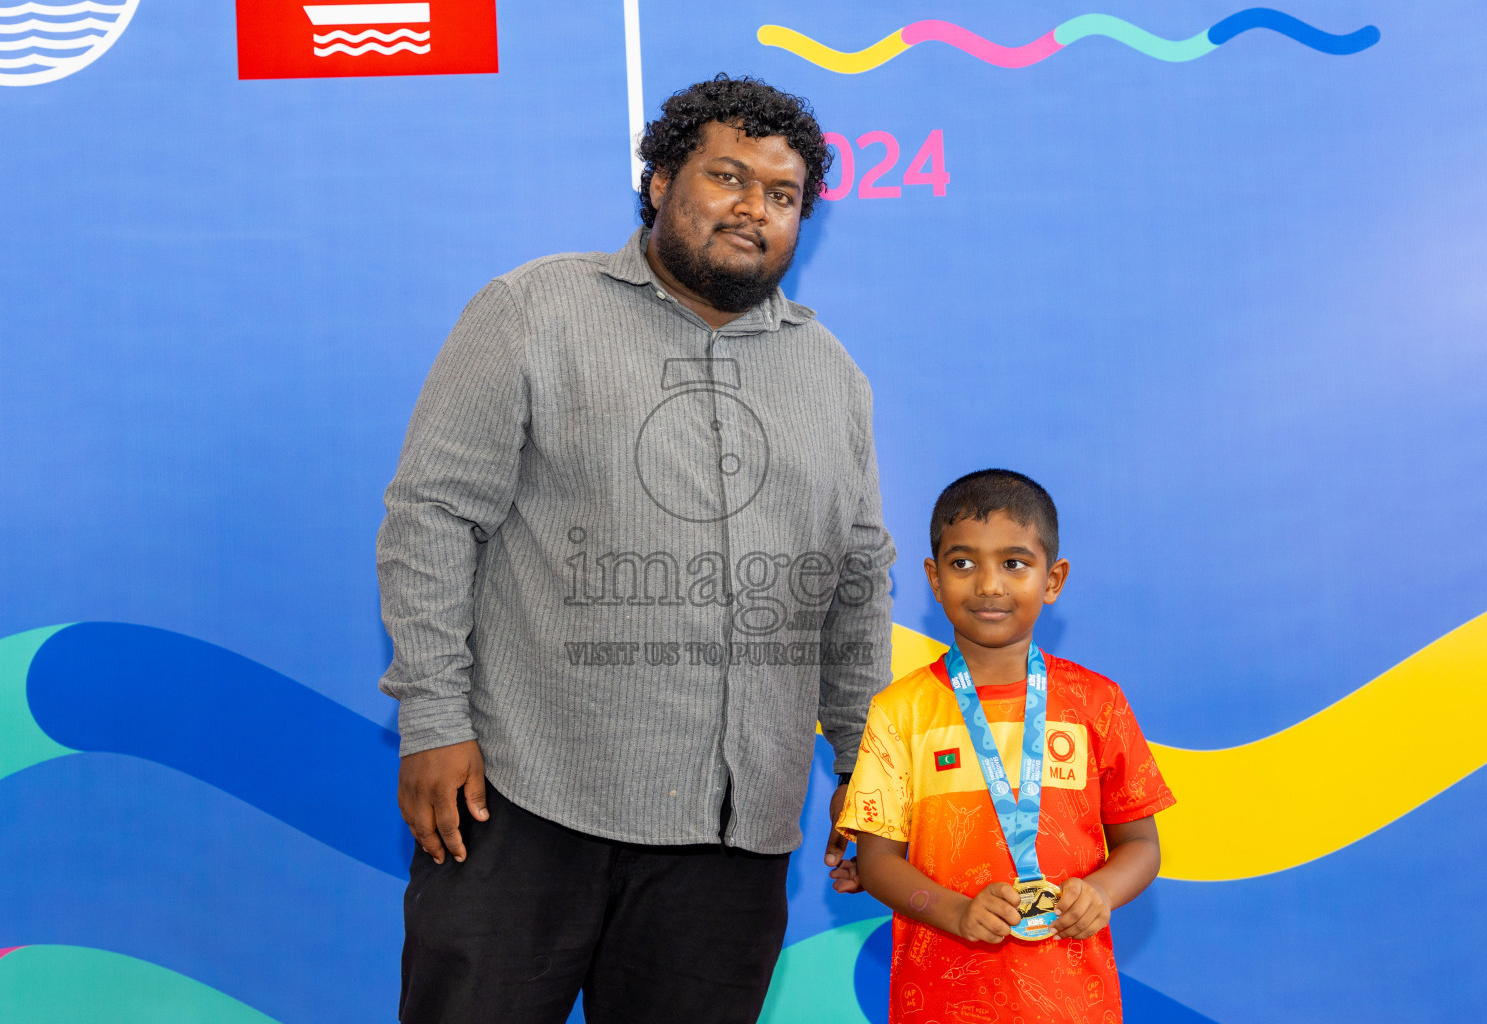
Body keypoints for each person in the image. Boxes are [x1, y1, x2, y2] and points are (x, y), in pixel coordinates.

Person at [375, 75, 895, 1024]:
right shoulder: (531, 311)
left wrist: (868, 775)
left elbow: (854, 588)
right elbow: (434, 518)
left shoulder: (834, 378)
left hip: (733, 839)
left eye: (782, 197)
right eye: (727, 177)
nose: (753, 210)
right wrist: (434, 720)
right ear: (658, 181)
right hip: (523, 802)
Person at [835, 469, 1174, 1023]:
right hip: (938, 1002)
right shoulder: (899, 712)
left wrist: (1102, 893)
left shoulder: (1098, 701)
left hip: (1074, 1002)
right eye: (963, 563)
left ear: (1053, 578)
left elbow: (1142, 846)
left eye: (1014, 563)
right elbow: (876, 864)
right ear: (934, 578)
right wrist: (957, 911)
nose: (989, 584)